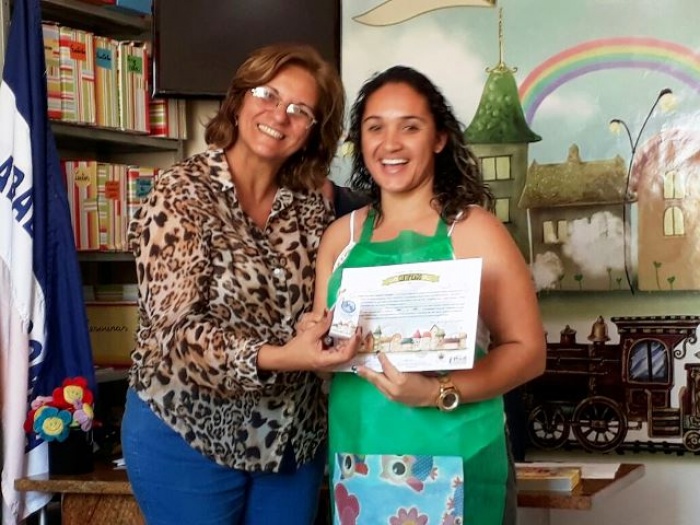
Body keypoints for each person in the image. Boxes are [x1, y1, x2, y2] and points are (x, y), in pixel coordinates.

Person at [120, 43, 360, 525]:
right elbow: (175, 335)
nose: (280, 115)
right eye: (268, 95)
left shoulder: (313, 207)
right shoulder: (179, 192)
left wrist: (319, 327)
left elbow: (322, 303)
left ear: (314, 132)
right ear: (239, 100)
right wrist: (283, 356)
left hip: (292, 439)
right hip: (189, 432)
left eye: (300, 110)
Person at [311, 66, 546, 524]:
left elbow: (529, 352)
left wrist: (436, 391)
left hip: (461, 456)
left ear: (439, 138)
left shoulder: (475, 231)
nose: (390, 144)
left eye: (410, 127)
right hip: (359, 458)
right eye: (375, 127)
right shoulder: (340, 239)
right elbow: (325, 357)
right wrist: (315, 343)